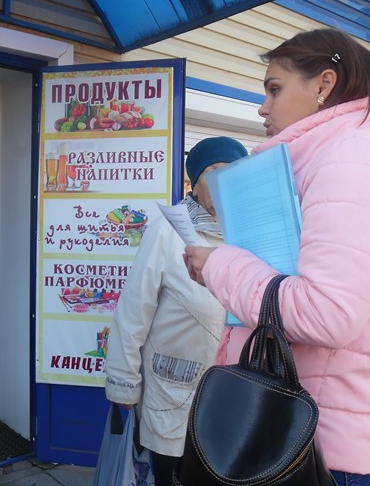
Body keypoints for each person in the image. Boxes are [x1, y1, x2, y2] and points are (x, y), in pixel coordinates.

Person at [183, 28, 370, 486]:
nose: (263, 107)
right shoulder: (317, 164)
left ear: (324, 85)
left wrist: (219, 266)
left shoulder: (353, 164)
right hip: (289, 425)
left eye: (274, 89)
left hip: (314, 444)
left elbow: (327, 313)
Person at [104, 136, 248, 486]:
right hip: (173, 394)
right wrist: (125, 384)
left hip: (232, 395)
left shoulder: (249, 237)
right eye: (212, 171)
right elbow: (133, 312)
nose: (222, 180)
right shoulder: (167, 233)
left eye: (232, 172)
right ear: (194, 184)